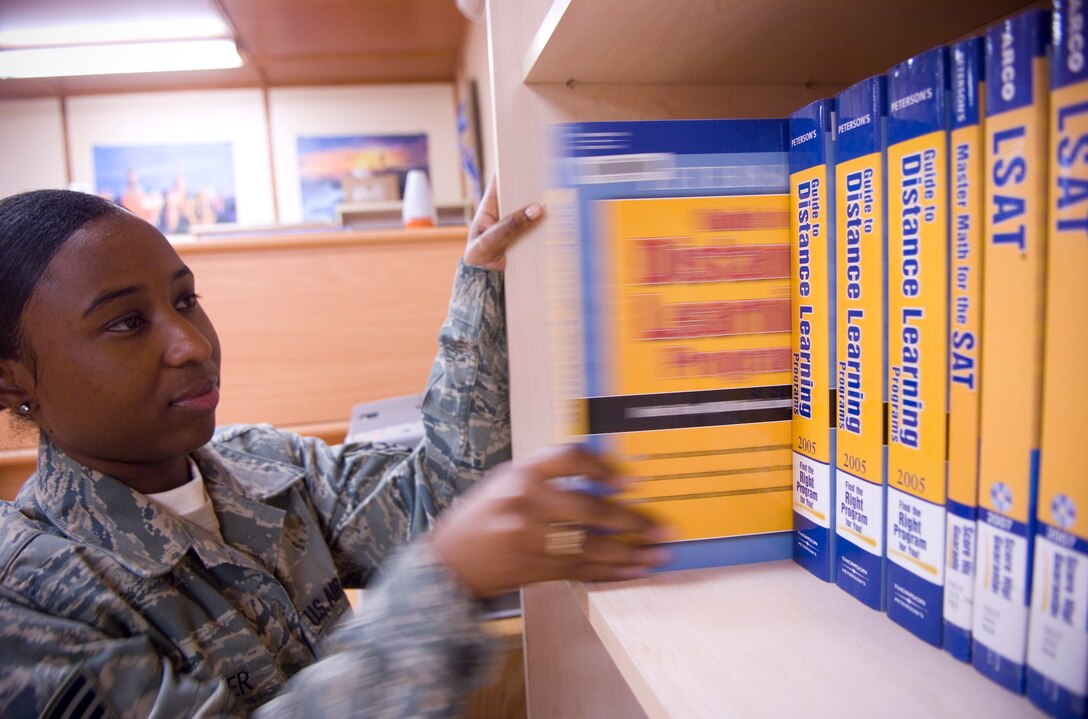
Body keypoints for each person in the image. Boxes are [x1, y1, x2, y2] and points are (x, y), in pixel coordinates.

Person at [0, 182, 669, 718]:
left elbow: (440, 494)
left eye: (186, 299)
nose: (193, 344)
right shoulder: (25, 604)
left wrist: (482, 280)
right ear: (13, 379)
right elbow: (445, 544)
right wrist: (443, 581)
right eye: (125, 322)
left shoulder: (265, 466)